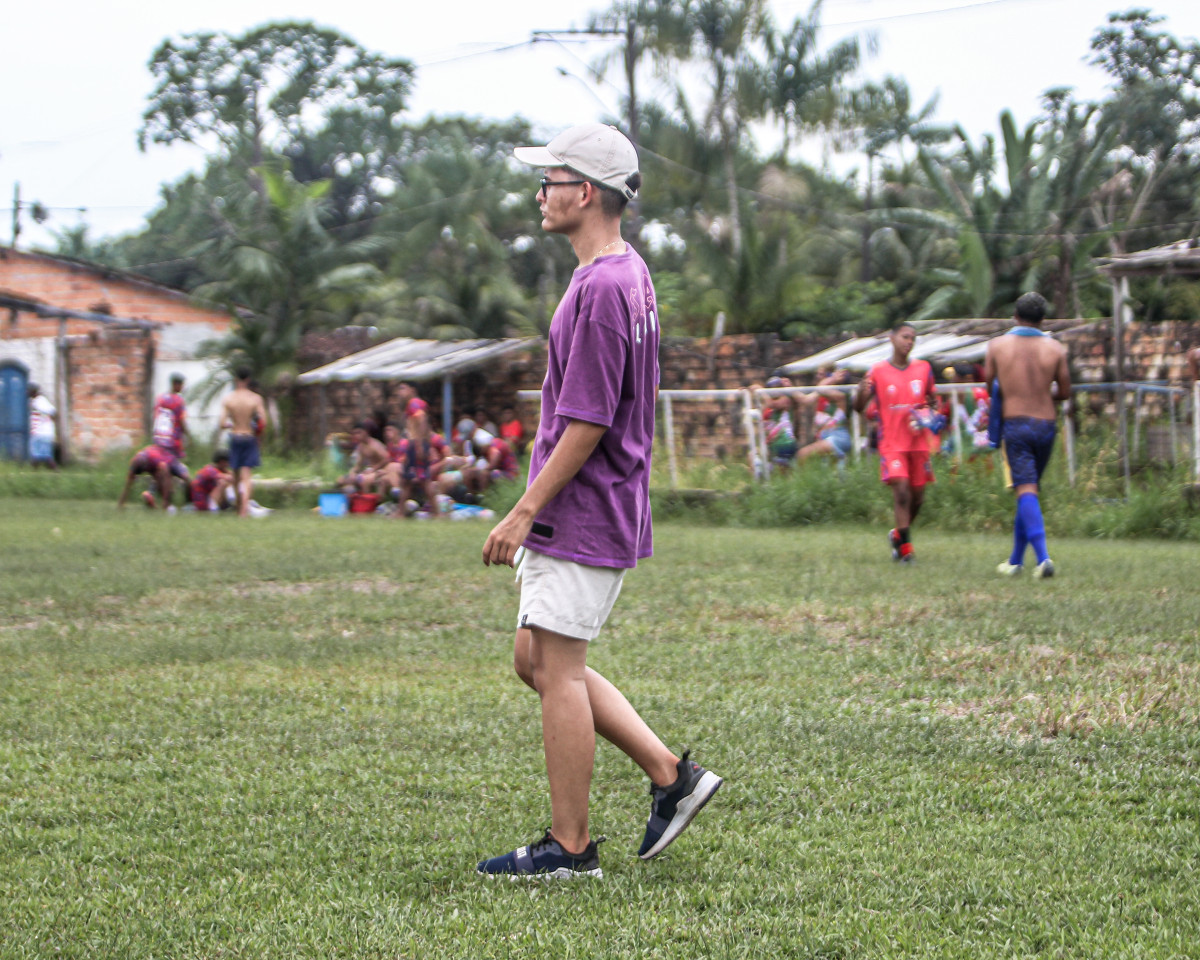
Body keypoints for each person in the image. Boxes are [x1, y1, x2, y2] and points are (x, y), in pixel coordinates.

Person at [477, 123, 722, 880]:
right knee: (536, 658)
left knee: (557, 670)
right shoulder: (626, 272)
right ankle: (670, 775)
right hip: (599, 501)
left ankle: (571, 849)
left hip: (582, 505)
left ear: (584, 192)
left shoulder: (605, 287)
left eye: (549, 180)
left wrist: (523, 509)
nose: (539, 193)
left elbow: (587, 420)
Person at [986, 292, 1072, 578]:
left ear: (1015, 316)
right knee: (1029, 491)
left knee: (1026, 490)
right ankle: (1015, 562)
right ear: (1043, 319)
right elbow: (1065, 392)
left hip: (1016, 425)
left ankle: (1043, 558)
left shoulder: (997, 346)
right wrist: (1041, 393)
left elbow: (989, 384)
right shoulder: (1056, 349)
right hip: (1046, 425)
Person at [854, 322, 938, 563]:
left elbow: (933, 400)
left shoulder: (923, 368)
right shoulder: (877, 371)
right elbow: (858, 407)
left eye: (912, 338)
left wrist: (928, 414)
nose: (908, 342)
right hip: (892, 444)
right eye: (904, 337)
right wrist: (861, 392)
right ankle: (906, 550)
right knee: (901, 491)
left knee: (918, 497)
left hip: (918, 443)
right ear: (892, 338)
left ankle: (898, 534)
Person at [220, 368, 269, 518]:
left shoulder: (229, 399)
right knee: (246, 476)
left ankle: (238, 506)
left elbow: (222, 423)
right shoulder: (255, 398)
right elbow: (263, 421)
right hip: (249, 436)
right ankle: (243, 510)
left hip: (235, 437)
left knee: (235, 475)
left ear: (236, 379)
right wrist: (257, 433)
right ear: (248, 379)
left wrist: (232, 424)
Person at [797, 368, 854, 464]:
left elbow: (820, 389)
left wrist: (833, 379)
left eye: (823, 375)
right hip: (826, 437)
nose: (818, 377)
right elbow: (806, 400)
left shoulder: (841, 396)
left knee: (802, 454)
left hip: (838, 437)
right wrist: (787, 389)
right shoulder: (822, 397)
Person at [117, 445, 175, 511]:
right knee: (129, 483)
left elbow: (165, 474)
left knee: (162, 481)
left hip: (159, 459)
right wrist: (121, 504)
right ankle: (159, 502)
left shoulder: (157, 461)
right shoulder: (135, 463)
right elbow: (128, 485)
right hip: (149, 459)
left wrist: (166, 500)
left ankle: (166, 504)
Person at [27, 384, 58, 469]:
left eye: (28, 391)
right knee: (36, 454)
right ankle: (34, 471)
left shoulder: (40, 401)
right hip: (38, 431)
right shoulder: (35, 401)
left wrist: (45, 420)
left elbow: (52, 412)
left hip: (42, 432)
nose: (27, 392)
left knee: (44, 454)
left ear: (33, 392)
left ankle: (55, 470)